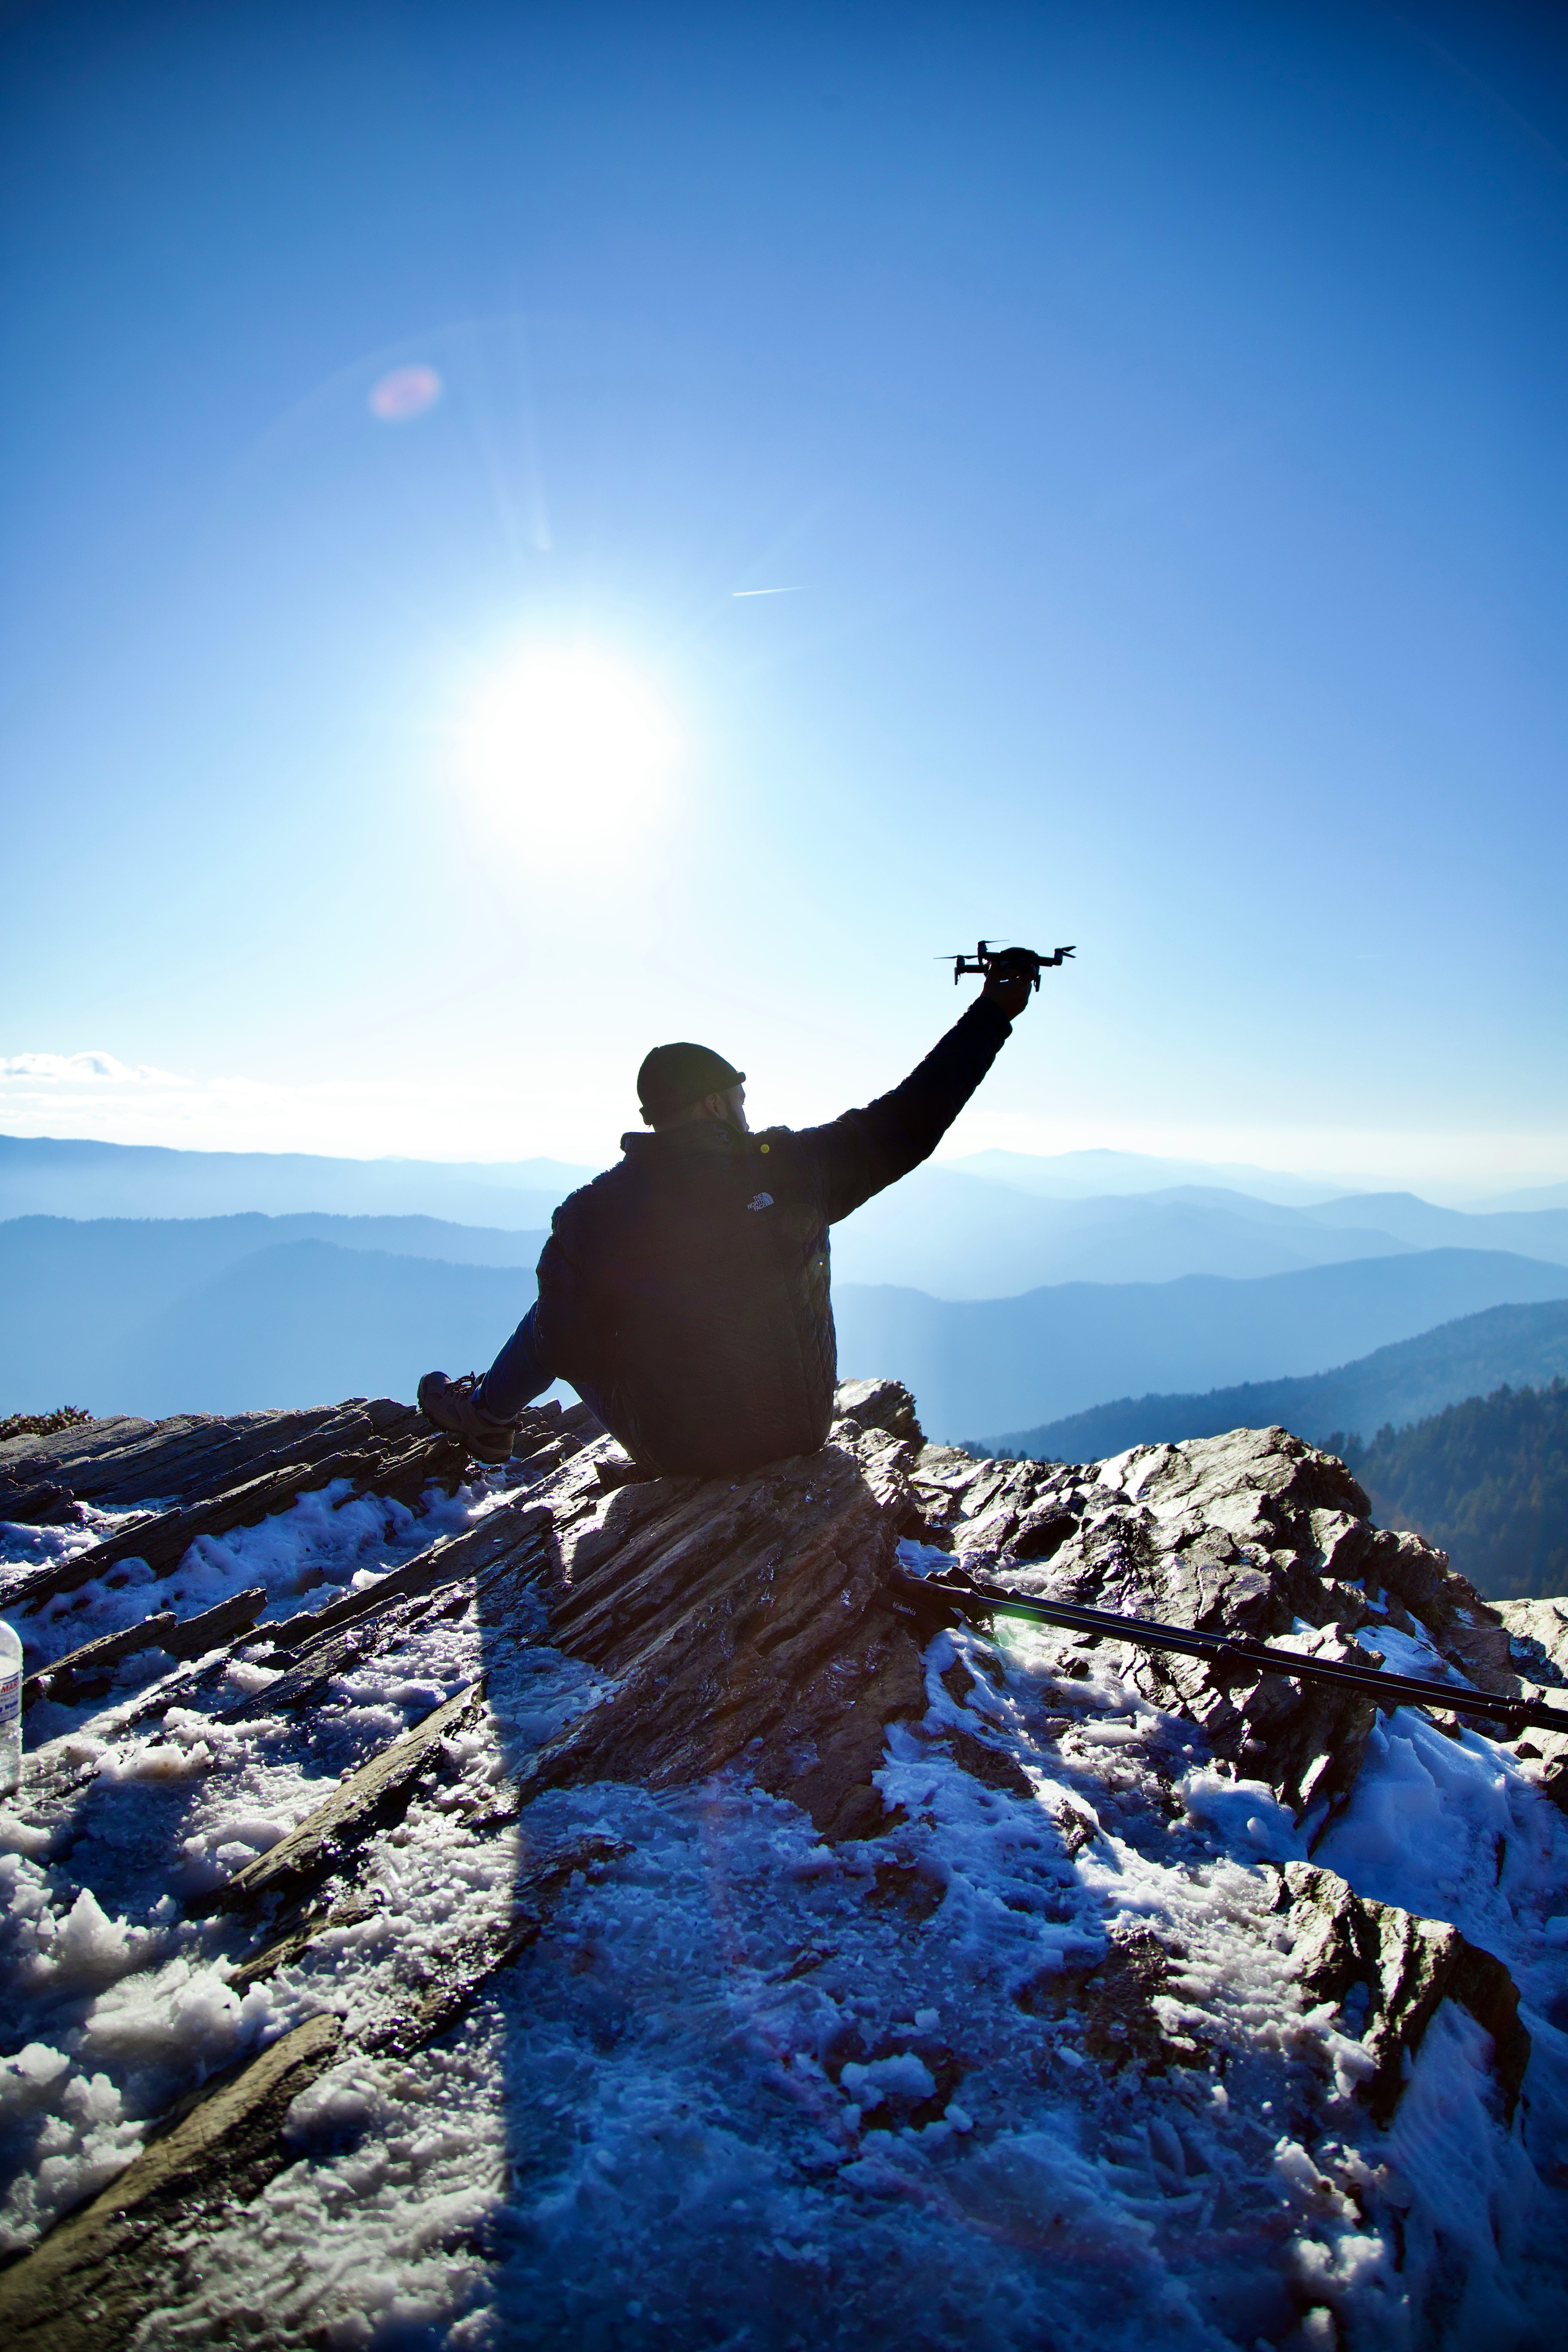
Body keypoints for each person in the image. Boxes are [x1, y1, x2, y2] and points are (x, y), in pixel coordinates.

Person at [418, 950, 1040, 1476]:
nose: (747, 1107)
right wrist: (991, 1014)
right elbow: (912, 1118)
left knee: (547, 1320)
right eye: (740, 1096)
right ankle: (489, 1417)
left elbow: (569, 1347)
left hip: (686, 1453)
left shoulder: (594, 1213)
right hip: (802, 1429)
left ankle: (485, 1420)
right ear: (715, 1105)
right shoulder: (795, 1166)